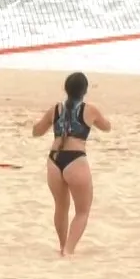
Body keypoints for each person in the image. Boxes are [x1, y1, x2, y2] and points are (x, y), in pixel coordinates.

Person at [29, 72, 113, 257]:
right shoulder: (89, 110)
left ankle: (62, 246)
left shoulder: (55, 110)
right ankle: (68, 250)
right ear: (85, 91)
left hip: (54, 159)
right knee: (82, 210)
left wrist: (37, 124)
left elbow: (37, 132)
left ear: (65, 89)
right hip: (75, 159)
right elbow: (106, 127)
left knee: (61, 206)